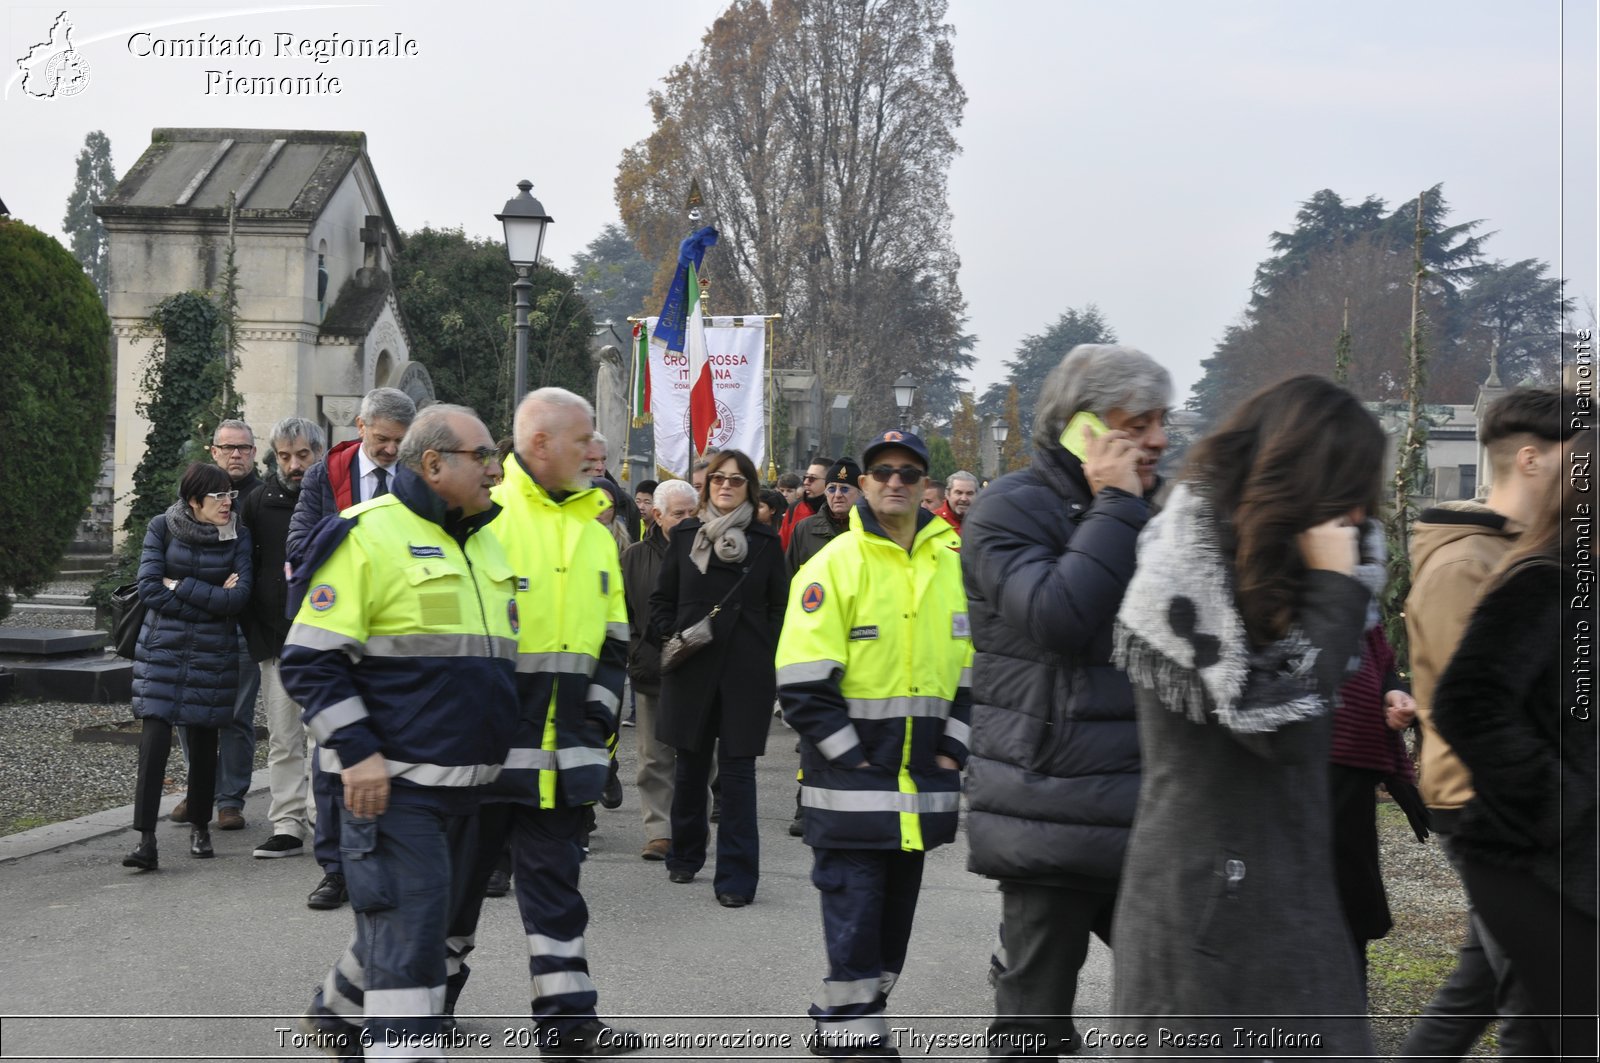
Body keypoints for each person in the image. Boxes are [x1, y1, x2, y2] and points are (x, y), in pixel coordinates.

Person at [1109, 375, 1385, 1056]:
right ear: (1305, 482)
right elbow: (1275, 719)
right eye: (1348, 492)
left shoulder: (1274, 572)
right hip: (1202, 922)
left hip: (1289, 898)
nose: (1360, 518)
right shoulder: (1183, 571)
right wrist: (1333, 590)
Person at [283, 404, 519, 1060]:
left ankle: (335, 1013)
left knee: (412, 925)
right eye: (483, 456)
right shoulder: (365, 534)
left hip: (466, 789)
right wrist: (357, 753)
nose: (498, 470)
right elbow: (309, 659)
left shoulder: (482, 540)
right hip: (389, 789)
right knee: (413, 942)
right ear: (435, 463)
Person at [961, 344, 1171, 1060]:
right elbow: (1059, 616)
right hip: (1054, 800)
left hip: (1154, 797)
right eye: (1140, 421)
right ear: (1084, 425)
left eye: (1163, 419)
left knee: (1184, 990)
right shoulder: (1006, 509)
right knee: (1034, 1016)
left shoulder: (1160, 506)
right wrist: (1115, 504)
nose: (1159, 438)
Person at [443, 388, 643, 1058]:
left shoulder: (594, 534)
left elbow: (615, 643)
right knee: (456, 891)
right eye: (582, 437)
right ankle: (419, 1005)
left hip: (567, 758)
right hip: (487, 756)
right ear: (537, 446)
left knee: (558, 892)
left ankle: (567, 1024)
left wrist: (594, 726)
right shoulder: (485, 520)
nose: (595, 450)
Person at [777, 429, 971, 1057]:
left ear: (925, 487)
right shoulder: (832, 564)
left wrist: (953, 751)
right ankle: (858, 1040)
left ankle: (841, 1014)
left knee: (891, 932)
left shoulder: (950, 565)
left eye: (908, 472)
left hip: (922, 785)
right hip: (852, 784)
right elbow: (802, 681)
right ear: (862, 484)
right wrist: (850, 756)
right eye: (882, 471)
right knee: (856, 916)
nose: (894, 480)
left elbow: (974, 673)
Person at [1398, 387, 1577, 1061]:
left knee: (1481, 987)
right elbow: (1474, 710)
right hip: (1484, 803)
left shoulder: (1519, 554)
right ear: (1531, 459)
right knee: (1534, 996)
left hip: (1515, 802)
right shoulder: (1464, 565)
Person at [1431, 436, 1596, 1061]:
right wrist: (1562, 802)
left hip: (1573, 861)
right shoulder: (1544, 585)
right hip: (1533, 861)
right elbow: (1467, 703)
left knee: (1536, 1036)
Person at [288, 385, 416, 912]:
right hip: (338, 627)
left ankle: (386, 863)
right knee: (332, 757)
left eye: (399, 442)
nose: (390, 450)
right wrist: (364, 540)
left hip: (396, 636)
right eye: (383, 439)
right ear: (360, 428)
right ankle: (334, 869)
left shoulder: (413, 477)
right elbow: (298, 547)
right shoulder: (326, 476)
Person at [649, 450, 790, 907]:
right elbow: (661, 600)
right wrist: (673, 634)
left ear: (750, 487)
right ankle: (685, 856)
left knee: (736, 775)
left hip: (745, 674)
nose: (725, 486)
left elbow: (779, 607)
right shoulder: (686, 534)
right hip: (692, 667)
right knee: (689, 767)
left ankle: (736, 878)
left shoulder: (766, 542)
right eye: (718, 480)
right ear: (707, 487)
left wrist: (760, 646)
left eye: (736, 480)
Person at [123, 462, 254, 871]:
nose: (227, 503)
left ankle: (200, 826)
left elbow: (239, 599)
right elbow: (147, 588)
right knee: (154, 741)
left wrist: (179, 585)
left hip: (212, 654)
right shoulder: (162, 527)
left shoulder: (239, 536)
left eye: (230, 495)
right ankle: (146, 840)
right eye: (218, 496)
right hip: (162, 649)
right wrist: (212, 598)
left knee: (202, 741)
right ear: (194, 501)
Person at [167, 420, 263, 832]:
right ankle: (199, 790)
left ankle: (229, 800)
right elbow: (169, 567)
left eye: (243, 447)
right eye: (228, 448)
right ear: (214, 452)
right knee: (191, 714)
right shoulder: (191, 497)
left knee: (237, 716)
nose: (236, 454)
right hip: (198, 622)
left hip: (245, 621)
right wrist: (204, 588)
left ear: (255, 453)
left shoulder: (263, 497)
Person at [239, 416, 326, 859]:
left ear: (319, 453)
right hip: (275, 638)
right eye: (285, 456)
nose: (294, 465)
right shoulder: (257, 503)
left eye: (303, 456)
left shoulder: (334, 500)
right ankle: (288, 822)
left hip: (325, 637)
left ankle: (322, 816)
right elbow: (247, 568)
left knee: (324, 733)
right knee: (283, 735)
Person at [621, 479, 698, 861]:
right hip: (651, 667)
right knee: (653, 756)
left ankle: (690, 827)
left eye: (691, 513)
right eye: (678, 513)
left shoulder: (709, 552)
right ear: (657, 515)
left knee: (698, 755)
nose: (686, 520)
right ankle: (659, 831)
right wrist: (637, 648)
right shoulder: (634, 556)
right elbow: (623, 611)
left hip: (698, 669)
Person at [786, 458, 860, 571]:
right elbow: (789, 574)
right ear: (825, 493)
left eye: (844, 489)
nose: (837, 494)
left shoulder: (871, 529)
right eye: (832, 489)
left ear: (860, 493)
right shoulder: (804, 529)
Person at [779, 455, 832, 550]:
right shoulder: (794, 508)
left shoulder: (839, 512)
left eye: (812, 478)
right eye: (805, 477)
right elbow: (782, 547)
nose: (806, 482)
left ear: (828, 481)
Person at [936, 470, 978, 537]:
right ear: (947, 494)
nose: (964, 498)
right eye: (959, 493)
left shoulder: (985, 523)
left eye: (969, 493)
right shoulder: (932, 521)